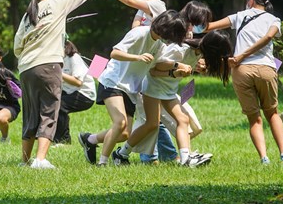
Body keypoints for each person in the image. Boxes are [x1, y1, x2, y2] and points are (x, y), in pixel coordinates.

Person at [14, 0, 105, 169]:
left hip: (26, 68)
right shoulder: (57, 3)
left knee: (31, 114)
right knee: (49, 111)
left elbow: (16, 47)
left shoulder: (27, 14)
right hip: (48, 65)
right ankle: (40, 160)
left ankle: (25, 161)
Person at [78, 10, 187, 166]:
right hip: (113, 81)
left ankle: (90, 139)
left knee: (124, 134)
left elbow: (157, 66)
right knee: (120, 122)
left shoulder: (159, 45)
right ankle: (102, 163)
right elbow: (114, 53)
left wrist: (177, 66)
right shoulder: (139, 33)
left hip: (130, 89)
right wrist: (137, 57)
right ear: (167, 29)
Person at [112, 30, 232, 167]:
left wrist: (196, 68)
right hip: (153, 87)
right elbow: (155, 68)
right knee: (152, 124)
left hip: (168, 90)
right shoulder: (181, 49)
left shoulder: (198, 53)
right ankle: (121, 154)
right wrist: (177, 69)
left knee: (183, 119)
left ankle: (186, 158)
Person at [207, 0, 283, 165]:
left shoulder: (240, 16)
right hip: (265, 68)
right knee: (272, 113)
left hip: (241, 69)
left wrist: (190, 28)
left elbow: (210, 27)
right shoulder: (274, 20)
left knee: (254, 118)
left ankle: (264, 158)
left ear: (250, 0)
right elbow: (268, 38)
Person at [53, 40, 96, 144]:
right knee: (52, 103)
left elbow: (78, 82)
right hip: (70, 91)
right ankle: (52, 138)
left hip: (85, 94)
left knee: (60, 106)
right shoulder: (59, 60)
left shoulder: (74, 58)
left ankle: (63, 141)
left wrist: (59, 73)